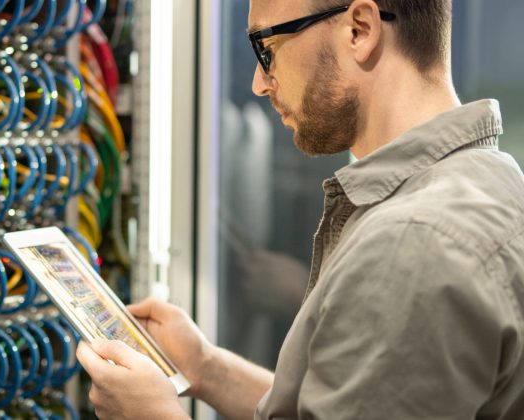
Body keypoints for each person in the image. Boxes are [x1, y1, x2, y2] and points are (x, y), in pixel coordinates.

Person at [78, 0, 524, 418]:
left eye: (266, 47)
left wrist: (154, 414)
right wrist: (206, 368)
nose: (258, 81)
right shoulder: (487, 179)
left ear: (359, 30)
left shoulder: (412, 242)